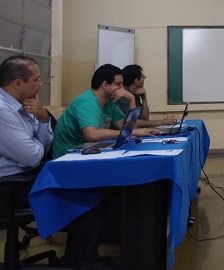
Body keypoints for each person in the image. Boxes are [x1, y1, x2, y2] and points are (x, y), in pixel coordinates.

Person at [53, 64, 163, 269]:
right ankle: (86, 257)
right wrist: (130, 134)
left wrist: (131, 101)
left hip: (88, 158)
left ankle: (102, 247)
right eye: (118, 84)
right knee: (112, 193)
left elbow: (127, 126)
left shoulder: (110, 102)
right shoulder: (88, 102)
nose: (122, 88)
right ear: (105, 84)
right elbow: (92, 135)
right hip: (68, 164)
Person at [0, 55, 52, 208]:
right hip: (8, 186)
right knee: (77, 195)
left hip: (25, 176)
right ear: (18, 84)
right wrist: (35, 143)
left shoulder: (26, 105)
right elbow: (32, 157)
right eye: (36, 79)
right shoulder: (2, 110)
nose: (41, 83)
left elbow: (44, 150)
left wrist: (43, 119)